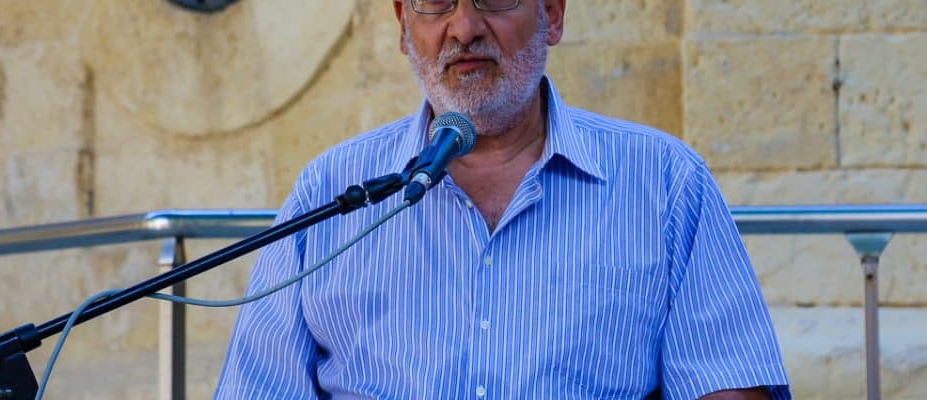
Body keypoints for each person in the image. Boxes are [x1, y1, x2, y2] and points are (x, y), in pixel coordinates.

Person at [214, 0, 791, 398]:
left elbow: (727, 385)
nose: (464, 27)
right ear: (402, 26)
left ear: (552, 14)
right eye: (435, 2)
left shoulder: (664, 183)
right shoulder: (330, 191)